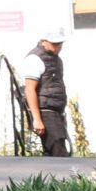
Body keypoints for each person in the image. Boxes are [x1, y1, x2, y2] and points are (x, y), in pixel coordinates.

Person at [16, 27, 73, 157]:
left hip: (55, 112)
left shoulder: (55, 59)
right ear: (43, 41)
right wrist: (37, 119)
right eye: (55, 43)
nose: (58, 47)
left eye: (60, 43)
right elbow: (30, 89)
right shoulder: (35, 59)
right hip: (45, 112)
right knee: (59, 154)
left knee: (54, 153)